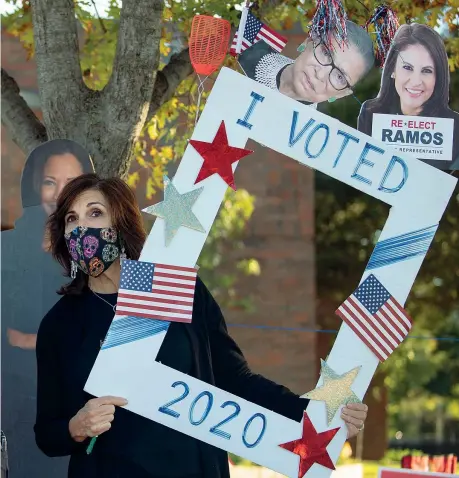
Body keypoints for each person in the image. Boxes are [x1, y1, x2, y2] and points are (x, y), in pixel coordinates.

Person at [35, 173, 369, 478]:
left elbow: (236, 379)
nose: (81, 230)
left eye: (95, 213)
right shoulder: (60, 324)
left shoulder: (172, 290)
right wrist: (78, 426)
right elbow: (47, 434)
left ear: (121, 224)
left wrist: (316, 413)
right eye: (71, 219)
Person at [1, 140, 93, 478]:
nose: (59, 194)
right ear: (34, 185)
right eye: (50, 182)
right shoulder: (4, 250)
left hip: (78, 412)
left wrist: (29, 341)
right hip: (13, 408)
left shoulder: (99, 255)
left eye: (71, 183)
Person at [358, 23, 459, 171]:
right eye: (407, 67)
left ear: (438, 77)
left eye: (427, 70)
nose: (416, 81)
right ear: (393, 69)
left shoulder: (454, 126)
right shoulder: (370, 113)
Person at [239, 20, 375, 107]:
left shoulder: (307, 149)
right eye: (326, 53)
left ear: (342, 93)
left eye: (340, 77)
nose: (320, 74)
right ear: (309, 41)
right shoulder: (243, 52)